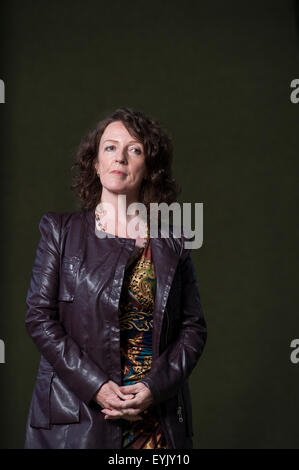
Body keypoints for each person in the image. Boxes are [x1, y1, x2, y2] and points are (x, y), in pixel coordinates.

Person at [24, 107, 207, 449]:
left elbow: (193, 329)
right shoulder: (59, 231)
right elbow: (39, 318)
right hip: (78, 418)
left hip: (155, 421)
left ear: (149, 167)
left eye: (134, 149)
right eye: (109, 147)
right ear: (95, 162)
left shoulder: (173, 243)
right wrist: (96, 386)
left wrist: (156, 387)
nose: (120, 157)